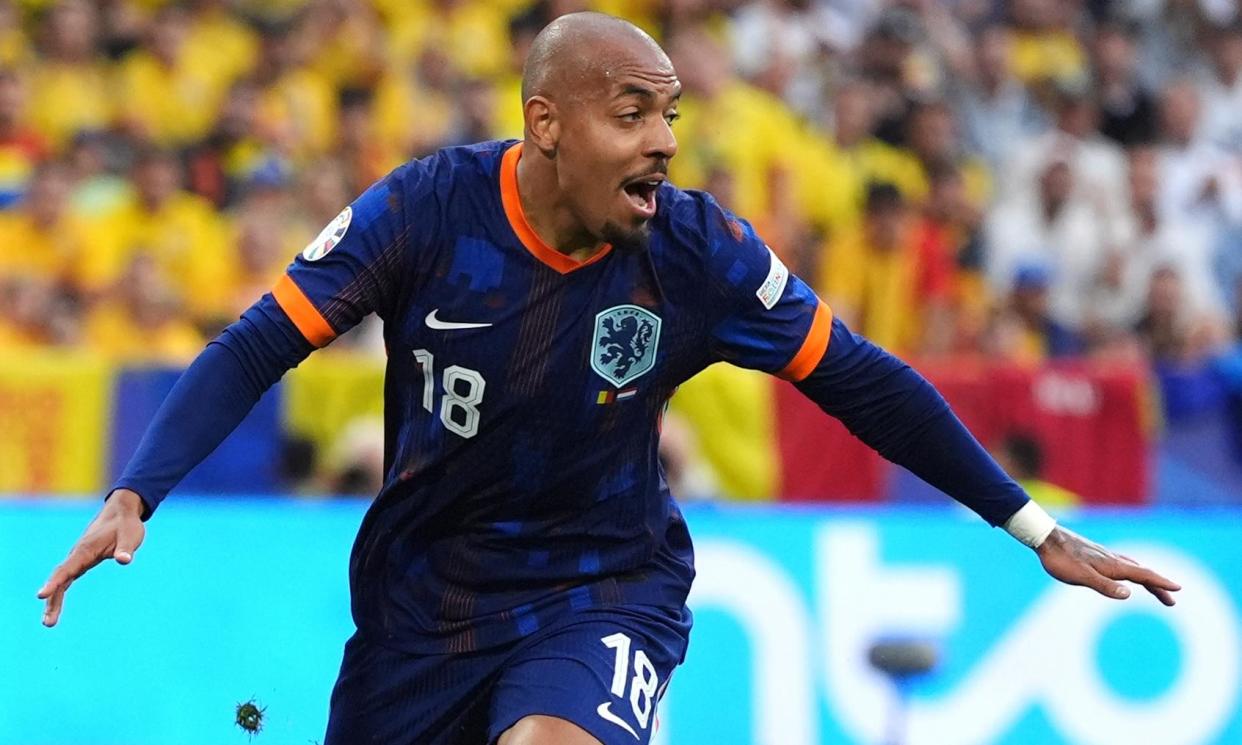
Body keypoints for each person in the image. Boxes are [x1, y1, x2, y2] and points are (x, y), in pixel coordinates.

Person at [37, 13, 1181, 745]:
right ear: (545, 125)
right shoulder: (426, 214)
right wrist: (139, 489)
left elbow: (864, 381)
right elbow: (256, 344)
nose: (663, 142)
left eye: (669, 115)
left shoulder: (697, 253)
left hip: (603, 584)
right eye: (631, 113)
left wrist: (1031, 527)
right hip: (421, 607)